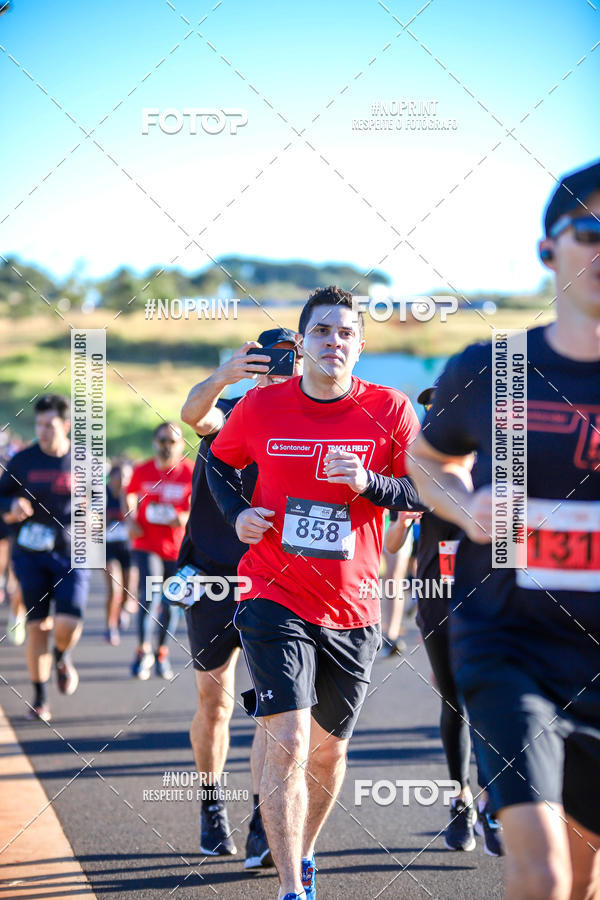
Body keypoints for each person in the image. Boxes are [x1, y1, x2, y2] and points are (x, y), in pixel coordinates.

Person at [408, 160, 600, 900]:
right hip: (508, 642)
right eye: (589, 230)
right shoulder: (492, 369)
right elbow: (426, 461)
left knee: (584, 876)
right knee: (544, 874)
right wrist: (464, 507)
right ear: (549, 250)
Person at [207, 286, 422, 900]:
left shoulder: (390, 409)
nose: (334, 342)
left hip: (353, 607)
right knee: (290, 737)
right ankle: (290, 886)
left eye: (345, 333)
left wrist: (371, 482)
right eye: (322, 332)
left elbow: (424, 491)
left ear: (359, 344)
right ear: (301, 344)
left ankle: (300, 852)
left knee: (327, 754)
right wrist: (236, 514)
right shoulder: (262, 406)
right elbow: (216, 460)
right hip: (272, 592)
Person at [179, 327, 302, 865]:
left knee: (275, 710)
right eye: (269, 359)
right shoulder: (229, 408)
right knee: (215, 701)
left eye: (289, 361)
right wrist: (224, 376)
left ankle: (263, 816)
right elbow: (192, 416)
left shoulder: (308, 420)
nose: (279, 369)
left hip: (274, 579)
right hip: (213, 576)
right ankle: (211, 804)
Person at [411, 386, 504, 856]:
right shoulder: (421, 475)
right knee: (454, 704)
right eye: (429, 410)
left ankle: (490, 802)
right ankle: (460, 801)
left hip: (484, 605)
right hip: (435, 603)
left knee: (487, 703)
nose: (435, 416)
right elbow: (392, 549)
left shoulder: (492, 475)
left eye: (444, 409)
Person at [0, 394, 90, 722]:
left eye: (49, 425)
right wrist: (11, 508)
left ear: (65, 425)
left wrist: (95, 518)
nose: (43, 431)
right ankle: (39, 698)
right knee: (37, 626)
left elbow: (103, 504)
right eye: (38, 424)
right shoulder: (23, 460)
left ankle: (62, 655)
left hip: (72, 553)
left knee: (68, 622)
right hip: (30, 554)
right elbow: (2, 495)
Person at [125, 422, 193, 680]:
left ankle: (162, 654)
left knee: (171, 602)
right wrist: (131, 518)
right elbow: (129, 494)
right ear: (155, 443)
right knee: (151, 595)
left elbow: (197, 506)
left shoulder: (189, 472)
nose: (166, 446)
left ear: (182, 445)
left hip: (175, 548)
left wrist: (183, 518)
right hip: (146, 544)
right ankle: (143, 652)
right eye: (162, 440)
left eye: (172, 441)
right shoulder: (142, 469)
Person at [104, 462, 136, 646]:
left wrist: (127, 500)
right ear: (112, 477)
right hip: (107, 547)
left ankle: (123, 608)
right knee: (114, 589)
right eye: (121, 477)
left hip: (128, 546)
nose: (124, 481)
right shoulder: (101, 495)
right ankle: (110, 627)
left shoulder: (130, 495)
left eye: (127, 477)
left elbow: (136, 518)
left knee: (127, 591)